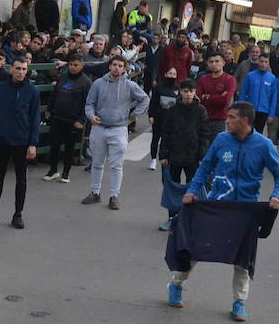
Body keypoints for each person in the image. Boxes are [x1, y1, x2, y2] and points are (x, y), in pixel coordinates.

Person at [168, 101, 279, 319]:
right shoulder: (222, 140)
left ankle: (239, 302)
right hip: (216, 206)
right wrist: (193, 190)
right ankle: (176, 284)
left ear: (244, 121)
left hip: (245, 210)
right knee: (194, 247)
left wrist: (277, 195)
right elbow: (206, 166)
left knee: (242, 260)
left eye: (231, 117)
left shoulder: (263, 145)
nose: (227, 121)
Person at [82, 56, 149, 210]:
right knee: (97, 163)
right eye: (114, 65)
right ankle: (95, 192)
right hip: (99, 128)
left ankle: (114, 196)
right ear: (109, 66)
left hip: (119, 129)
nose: (117, 68)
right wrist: (91, 116)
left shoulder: (129, 85)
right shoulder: (98, 84)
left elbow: (145, 99)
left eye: (120, 65)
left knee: (116, 165)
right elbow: (89, 104)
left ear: (124, 68)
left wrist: (134, 114)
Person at [0, 57, 41, 229]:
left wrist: (32, 143)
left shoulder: (32, 91)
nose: (21, 72)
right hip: (2, 139)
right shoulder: (0, 89)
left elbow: (35, 118)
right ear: (11, 69)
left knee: (21, 179)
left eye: (24, 69)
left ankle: (18, 214)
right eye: (18, 69)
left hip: (22, 141)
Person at [154, 78, 214, 231]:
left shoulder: (200, 111)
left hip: (193, 157)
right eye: (185, 91)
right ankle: (172, 218)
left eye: (191, 91)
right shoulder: (173, 110)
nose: (188, 94)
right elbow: (165, 133)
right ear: (180, 92)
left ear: (195, 93)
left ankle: (190, 219)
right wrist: (163, 154)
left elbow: (204, 135)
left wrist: (202, 156)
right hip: (174, 155)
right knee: (171, 189)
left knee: (193, 188)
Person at [42, 53, 91, 183]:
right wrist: (49, 109)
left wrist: (81, 120)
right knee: (54, 145)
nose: (73, 67)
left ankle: (66, 173)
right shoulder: (63, 77)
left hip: (73, 120)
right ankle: (53, 170)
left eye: (76, 65)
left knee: (69, 147)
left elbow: (88, 103)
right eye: (71, 64)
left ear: (82, 66)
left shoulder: (86, 82)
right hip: (58, 117)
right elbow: (55, 94)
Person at [237, 53, 279, 134]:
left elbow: (273, 97)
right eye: (261, 61)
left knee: (258, 134)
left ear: (268, 63)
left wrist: (271, 114)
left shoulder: (272, 78)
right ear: (258, 62)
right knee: (246, 132)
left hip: (263, 111)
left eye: (266, 62)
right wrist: (240, 110)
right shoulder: (250, 76)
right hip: (250, 110)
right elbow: (243, 93)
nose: (263, 64)